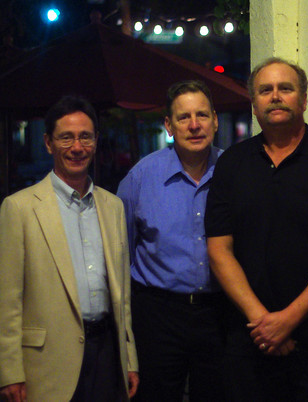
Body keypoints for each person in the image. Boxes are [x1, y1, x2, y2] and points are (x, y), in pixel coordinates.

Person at [205, 57, 308, 401]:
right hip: (247, 336)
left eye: (285, 88)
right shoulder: (231, 164)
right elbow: (218, 250)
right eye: (265, 90)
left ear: (304, 100)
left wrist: (288, 320)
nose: (275, 96)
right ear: (254, 103)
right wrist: (263, 321)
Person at [0, 95, 139, 401]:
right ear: (48, 143)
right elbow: (7, 300)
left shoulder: (113, 206)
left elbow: (123, 296)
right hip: (47, 362)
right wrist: (9, 371)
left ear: (96, 141)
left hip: (107, 353)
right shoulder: (19, 208)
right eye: (66, 137)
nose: (77, 147)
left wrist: (129, 358)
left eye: (85, 137)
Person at [117, 80, 226, 401]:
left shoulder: (233, 171)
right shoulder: (140, 178)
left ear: (215, 121)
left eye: (202, 115)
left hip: (219, 313)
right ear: (168, 125)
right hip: (157, 315)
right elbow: (122, 251)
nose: (194, 125)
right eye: (183, 117)